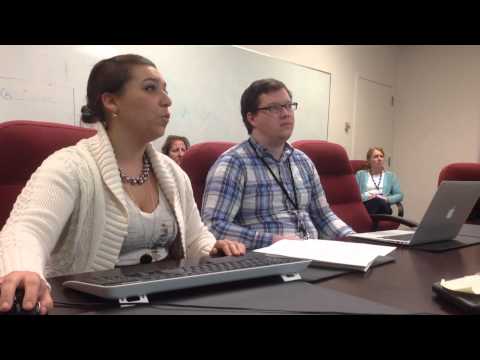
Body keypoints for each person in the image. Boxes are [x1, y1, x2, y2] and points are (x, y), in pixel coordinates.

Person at [0, 54, 245, 315]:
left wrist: (211, 248)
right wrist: (22, 267)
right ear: (111, 101)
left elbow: (196, 236)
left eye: (165, 89)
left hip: (169, 300)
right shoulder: (71, 166)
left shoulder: (173, 172)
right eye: (151, 88)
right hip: (89, 306)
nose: (167, 100)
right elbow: (25, 230)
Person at [201, 78, 354, 250]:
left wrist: (354, 241)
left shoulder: (303, 161)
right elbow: (213, 226)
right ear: (252, 118)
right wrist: (274, 241)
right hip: (265, 261)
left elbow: (323, 216)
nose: (286, 113)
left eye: (289, 106)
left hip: (313, 256)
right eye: (274, 108)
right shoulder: (234, 163)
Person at [355, 147, 404, 215]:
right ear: (369, 160)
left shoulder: (391, 176)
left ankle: (369, 221)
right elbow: (354, 195)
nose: (379, 158)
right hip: (366, 205)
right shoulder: (360, 174)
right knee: (375, 202)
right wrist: (368, 195)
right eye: (376, 156)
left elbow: (400, 195)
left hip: (383, 205)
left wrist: (387, 199)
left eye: (381, 156)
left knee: (379, 201)